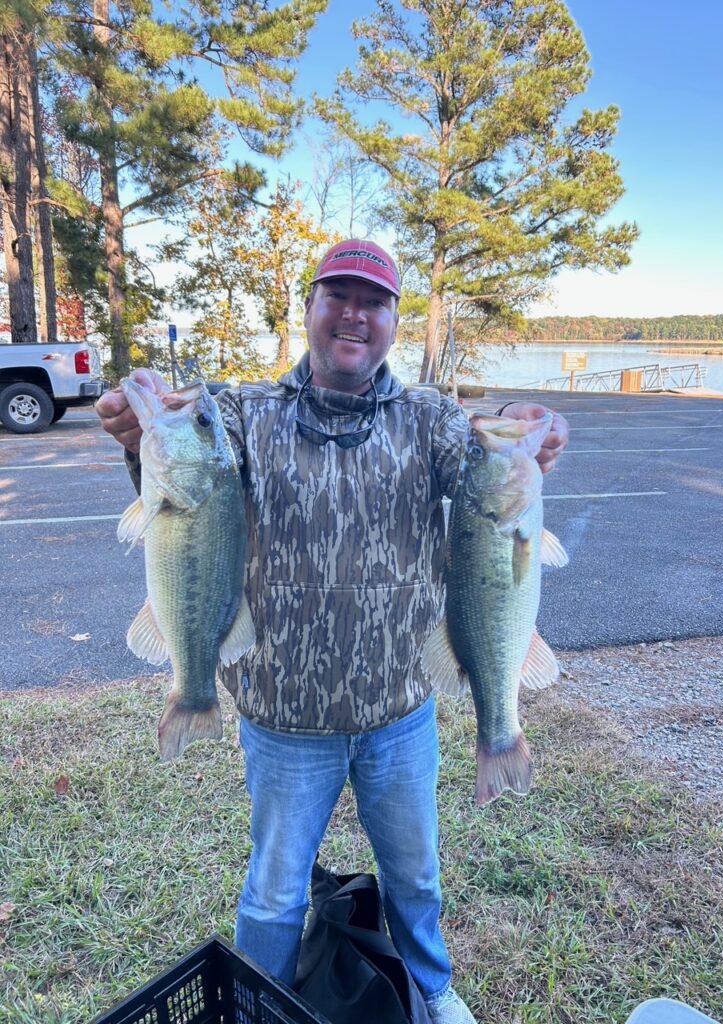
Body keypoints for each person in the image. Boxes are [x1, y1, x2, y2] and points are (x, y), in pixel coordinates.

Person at [96, 239, 569, 1024]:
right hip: (285, 719)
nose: (354, 314)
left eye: (374, 301)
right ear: (310, 310)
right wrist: (130, 439)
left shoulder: (430, 418)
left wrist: (529, 433)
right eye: (337, 296)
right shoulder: (248, 410)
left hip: (400, 713)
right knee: (275, 888)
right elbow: (195, 478)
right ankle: (262, 1003)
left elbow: (488, 474)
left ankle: (433, 988)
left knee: (416, 876)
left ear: (392, 320)